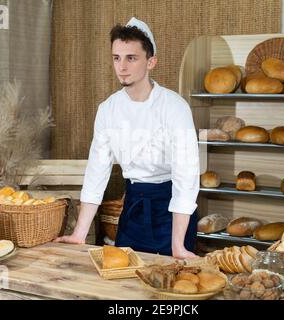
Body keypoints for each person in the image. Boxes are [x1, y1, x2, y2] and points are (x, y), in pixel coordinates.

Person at [55, 17, 200, 259]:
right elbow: (96, 172)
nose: (122, 66)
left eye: (131, 58)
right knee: (124, 279)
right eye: (116, 58)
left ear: (151, 62)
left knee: (169, 285)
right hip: (132, 208)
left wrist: (178, 245)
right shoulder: (108, 109)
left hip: (172, 211)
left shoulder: (175, 107)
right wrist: (79, 234)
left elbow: (186, 176)